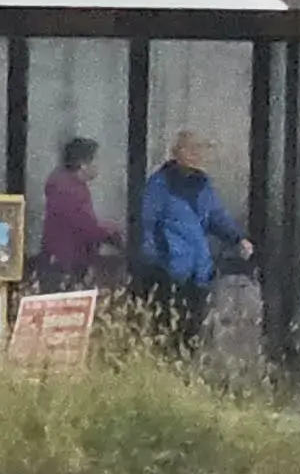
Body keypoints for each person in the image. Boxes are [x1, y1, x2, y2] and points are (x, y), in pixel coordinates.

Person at [131, 129, 246, 352]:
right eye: (191, 149)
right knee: (168, 332)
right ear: (176, 153)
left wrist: (238, 238)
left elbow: (216, 216)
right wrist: (152, 264)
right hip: (169, 271)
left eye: (199, 149)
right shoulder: (159, 184)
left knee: (192, 333)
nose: (196, 154)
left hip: (199, 271)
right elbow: (146, 223)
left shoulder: (202, 184)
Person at [34, 136, 118, 291]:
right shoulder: (70, 190)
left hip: (62, 261)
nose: (99, 166)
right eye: (96, 161)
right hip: (66, 265)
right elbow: (85, 226)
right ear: (83, 164)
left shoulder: (67, 185)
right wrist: (111, 233)